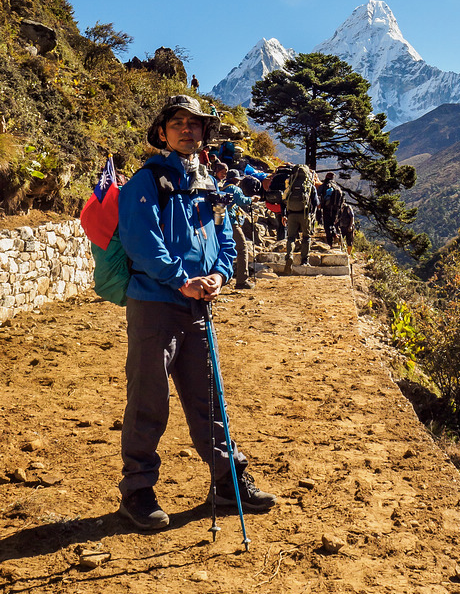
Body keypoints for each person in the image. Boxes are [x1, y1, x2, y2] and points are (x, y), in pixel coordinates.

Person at [117, 95, 276, 530]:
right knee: (149, 398)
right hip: (156, 304)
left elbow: (224, 239)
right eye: (178, 123)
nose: (188, 130)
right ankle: (137, 490)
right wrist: (181, 278)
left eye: (195, 124)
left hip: (197, 304)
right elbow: (141, 241)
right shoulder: (147, 181)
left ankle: (229, 483)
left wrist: (220, 276)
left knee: (210, 398)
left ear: (204, 133)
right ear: (162, 132)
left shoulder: (206, 185)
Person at [221, 169, 258, 289]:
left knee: (225, 248)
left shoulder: (221, 187)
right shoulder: (234, 189)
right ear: (236, 179)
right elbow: (241, 201)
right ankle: (242, 280)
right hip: (232, 223)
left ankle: (223, 276)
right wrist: (251, 199)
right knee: (242, 249)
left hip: (220, 222)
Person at [282, 164, 319, 274]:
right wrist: (312, 215)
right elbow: (316, 202)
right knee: (306, 237)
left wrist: (284, 214)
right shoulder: (308, 185)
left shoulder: (291, 184)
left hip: (291, 214)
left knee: (291, 238)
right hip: (304, 214)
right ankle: (304, 260)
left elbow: (284, 199)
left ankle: (289, 256)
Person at [318, 172, 344, 248]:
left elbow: (318, 194)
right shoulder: (337, 187)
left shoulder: (324, 186)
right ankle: (335, 235)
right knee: (332, 223)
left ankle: (330, 242)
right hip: (336, 208)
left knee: (327, 224)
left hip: (326, 207)